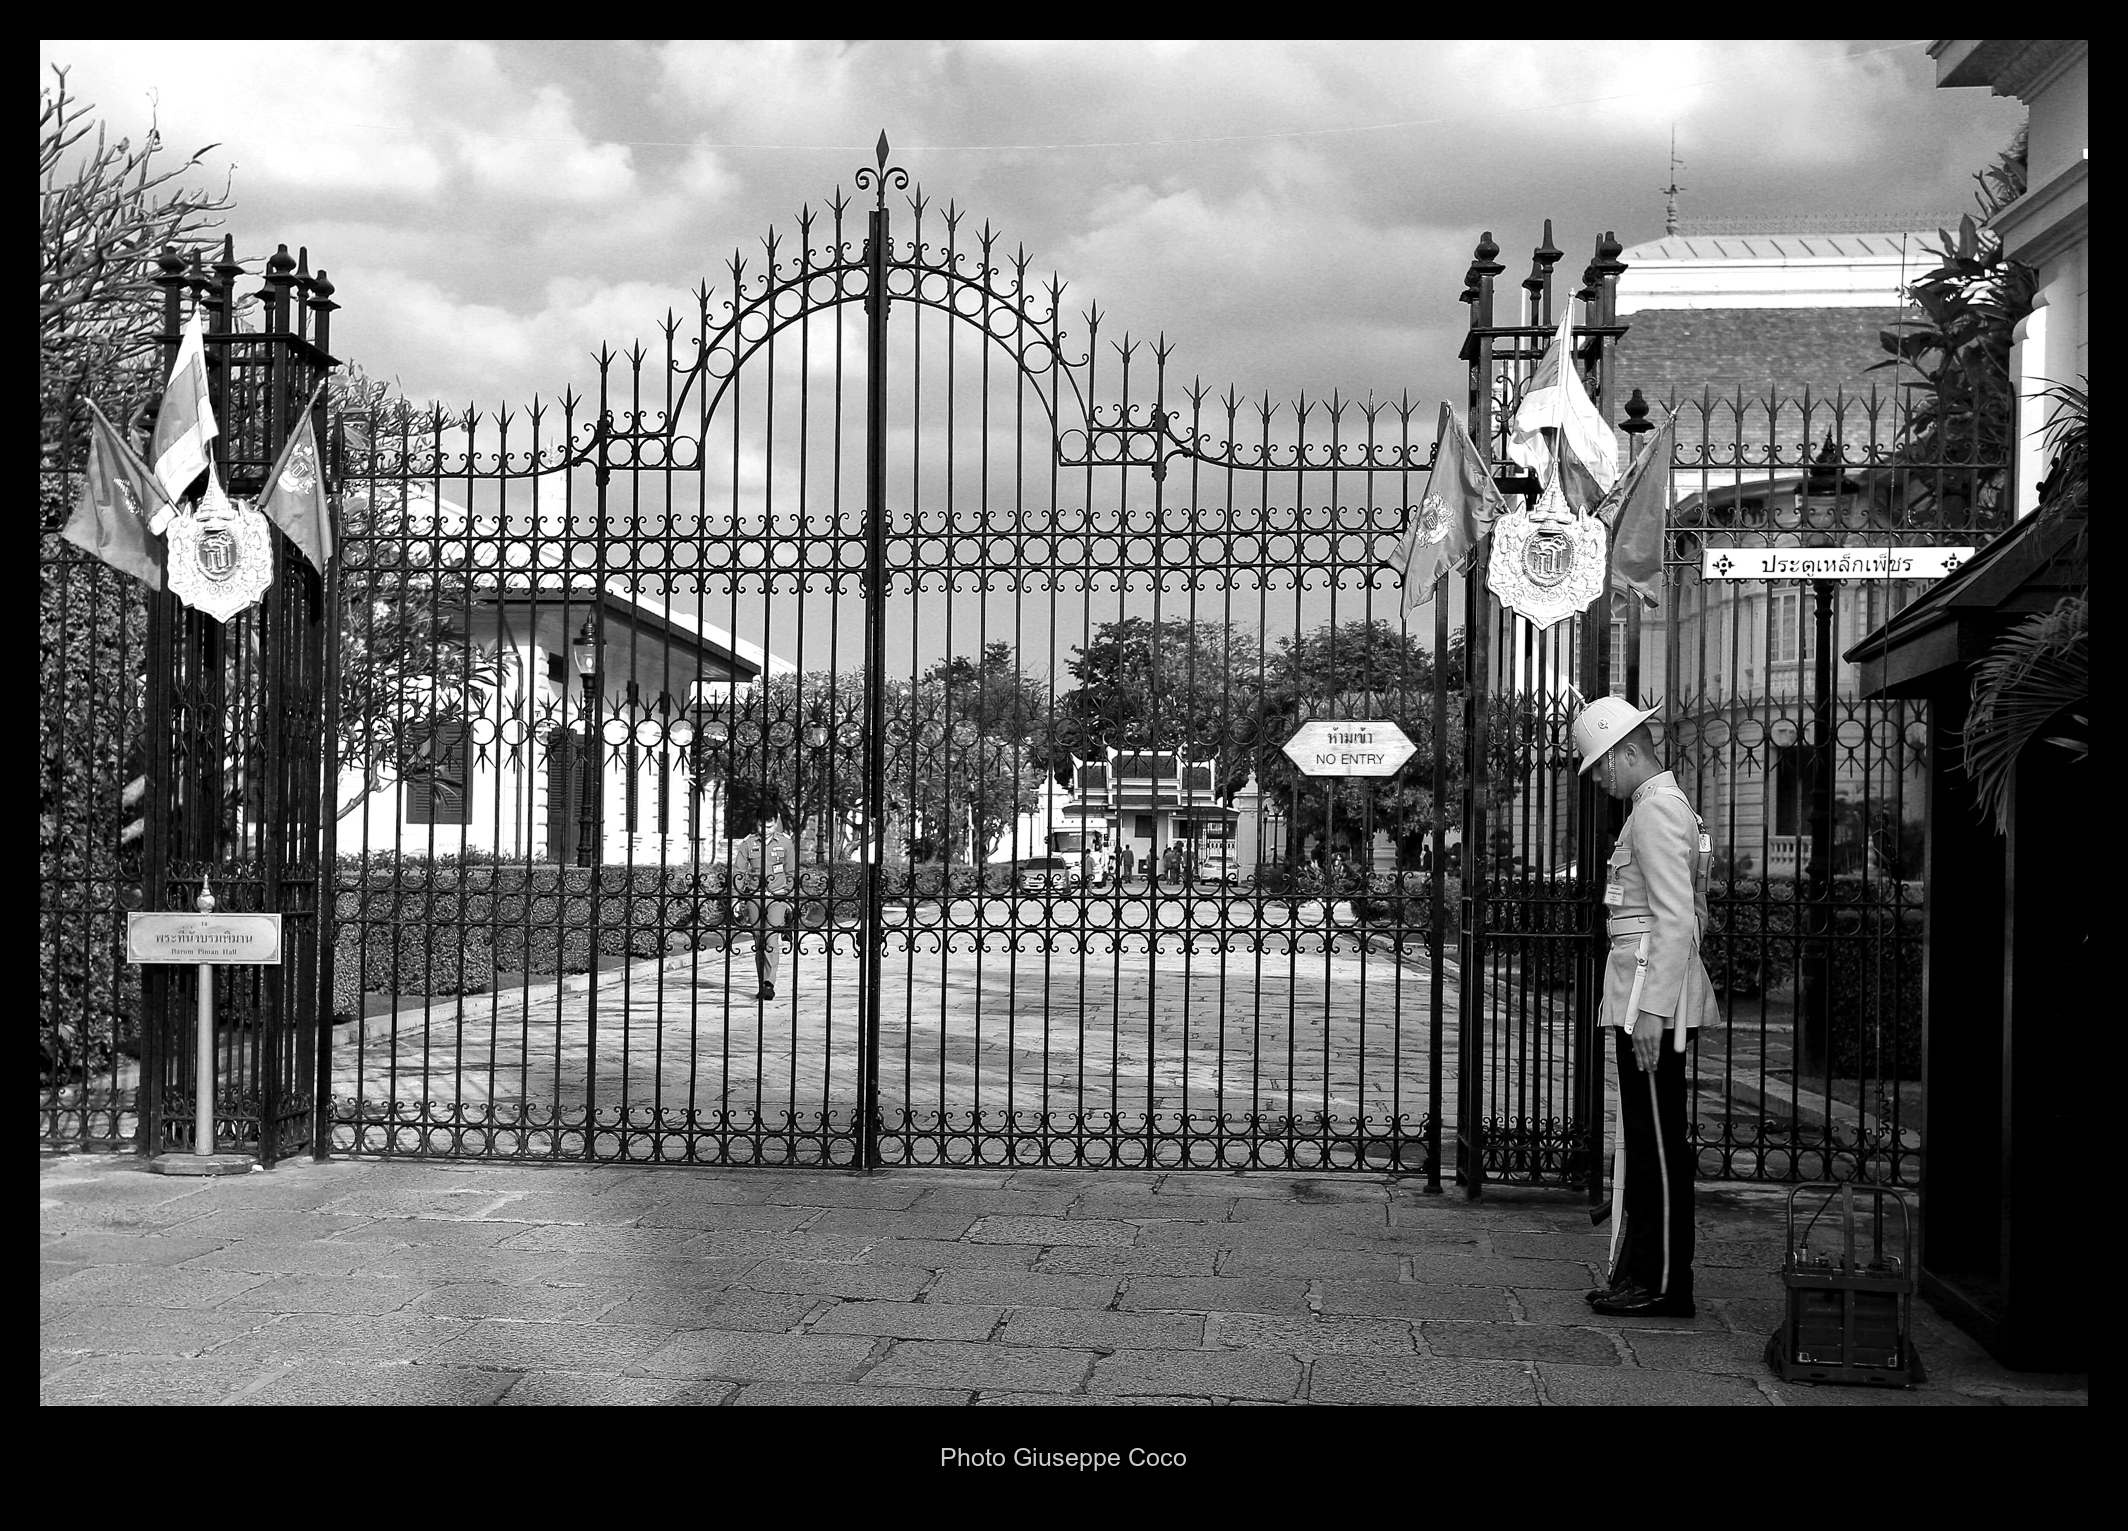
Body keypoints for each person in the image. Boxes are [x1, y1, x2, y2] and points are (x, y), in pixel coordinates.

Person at [1573, 695, 1718, 1319]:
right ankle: (1644, 1270)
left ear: (1629, 751)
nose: (1601, 779)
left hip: (1648, 1000)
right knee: (1651, 1137)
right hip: (1642, 994)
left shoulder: (1656, 812)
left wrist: (1653, 1012)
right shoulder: (1659, 806)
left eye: (1603, 765)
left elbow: (1674, 917)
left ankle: (1663, 1283)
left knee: (1657, 1144)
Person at [727, 819, 796, 1001]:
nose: (766, 830)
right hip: (755, 896)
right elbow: (739, 872)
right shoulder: (749, 843)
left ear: (776, 824)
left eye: (770, 826)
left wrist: (790, 897)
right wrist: (736, 898)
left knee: (771, 937)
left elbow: (791, 872)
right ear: (756, 824)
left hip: (777, 895)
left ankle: (769, 983)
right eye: (761, 826)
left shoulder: (785, 842)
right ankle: (762, 982)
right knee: (759, 940)